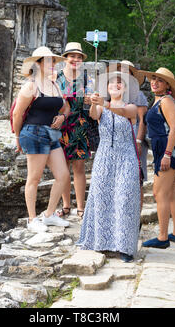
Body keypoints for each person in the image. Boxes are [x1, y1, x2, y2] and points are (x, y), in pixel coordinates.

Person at [76, 71, 141, 263]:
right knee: (103, 197)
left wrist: (103, 103)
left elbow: (123, 113)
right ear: (107, 88)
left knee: (124, 198)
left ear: (125, 89)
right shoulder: (101, 108)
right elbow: (93, 114)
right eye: (112, 83)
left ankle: (125, 247)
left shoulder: (131, 107)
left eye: (120, 83)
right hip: (105, 156)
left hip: (125, 157)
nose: (116, 85)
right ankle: (102, 241)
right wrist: (96, 102)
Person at [12, 46, 71, 233]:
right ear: (37, 64)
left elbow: (66, 107)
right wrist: (17, 137)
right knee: (34, 178)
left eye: (53, 61)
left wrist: (63, 117)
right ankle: (31, 219)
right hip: (33, 133)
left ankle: (49, 215)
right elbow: (17, 114)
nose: (52, 64)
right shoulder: (31, 86)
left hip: (52, 134)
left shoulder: (55, 86)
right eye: (47, 61)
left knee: (63, 176)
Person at [138, 67, 175, 249]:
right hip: (167, 150)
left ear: (167, 85)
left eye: (160, 80)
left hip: (168, 151)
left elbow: (174, 129)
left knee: (160, 193)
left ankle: (163, 237)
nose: (154, 82)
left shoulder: (166, 101)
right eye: (153, 79)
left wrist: (166, 154)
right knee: (172, 193)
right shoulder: (159, 100)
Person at [55, 42, 92, 219]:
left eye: (79, 57)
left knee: (79, 167)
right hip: (61, 126)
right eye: (72, 56)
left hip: (80, 125)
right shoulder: (57, 77)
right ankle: (66, 205)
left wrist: (89, 99)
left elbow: (92, 102)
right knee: (63, 168)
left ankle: (80, 207)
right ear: (66, 58)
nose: (75, 59)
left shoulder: (86, 79)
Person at [121, 61, 148, 210]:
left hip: (134, 139)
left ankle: (136, 216)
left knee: (137, 180)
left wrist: (138, 141)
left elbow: (142, 120)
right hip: (119, 141)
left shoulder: (138, 95)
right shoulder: (113, 94)